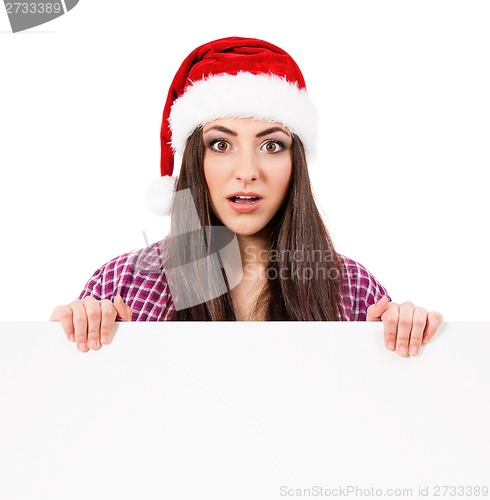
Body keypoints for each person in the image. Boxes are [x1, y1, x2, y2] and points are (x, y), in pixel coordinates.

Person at [50, 36, 443, 356]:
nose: (248, 171)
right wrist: (74, 340)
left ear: (296, 163)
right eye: (221, 145)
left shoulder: (354, 290)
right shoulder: (124, 285)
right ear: (194, 161)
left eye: (271, 146)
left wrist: (410, 340)